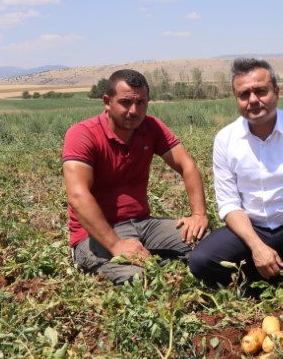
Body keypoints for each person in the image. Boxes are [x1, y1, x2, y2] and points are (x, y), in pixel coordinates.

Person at [189, 58, 283, 293]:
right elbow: (229, 204)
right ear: (237, 99)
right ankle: (267, 276)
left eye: (261, 91)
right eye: (244, 94)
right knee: (201, 261)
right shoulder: (225, 139)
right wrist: (256, 245)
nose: (253, 100)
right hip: (252, 227)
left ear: (276, 92)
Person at [62, 69, 208, 285]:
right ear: (107, 101)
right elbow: (77, 195)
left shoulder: (151, 127)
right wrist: (116, 245)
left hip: (144, 224)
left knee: (208, 246)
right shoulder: (83, 134)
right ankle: (152, 266)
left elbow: (186, 165)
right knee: (138, 280)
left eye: (141, 103)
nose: (134, 110)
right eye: (125, 102)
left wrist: (199, 214)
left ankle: (157, 261)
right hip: (95, 235)